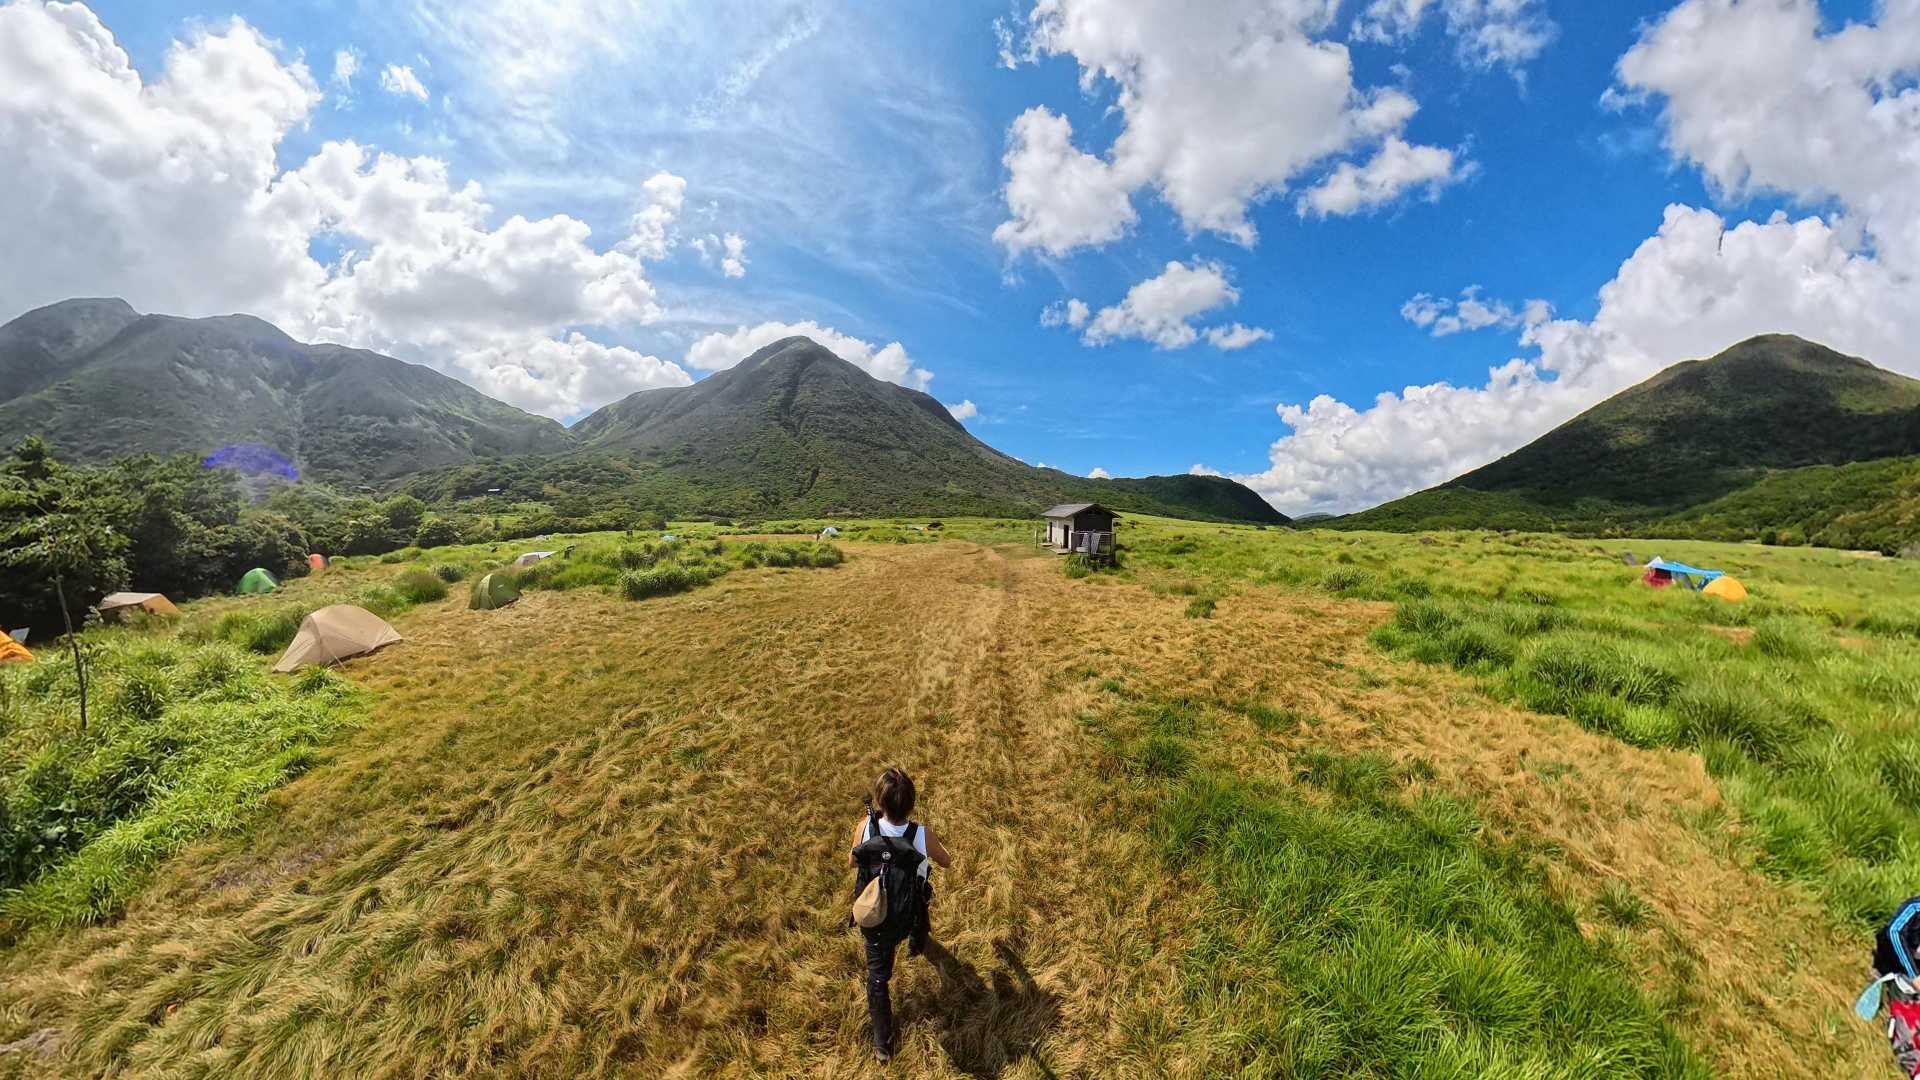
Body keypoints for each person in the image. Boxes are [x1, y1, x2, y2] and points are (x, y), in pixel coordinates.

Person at [849, 767, 951, 1062]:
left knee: (878, 979)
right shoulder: (921, 834)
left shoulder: (865, 827)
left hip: (875, 916)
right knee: (919, 919)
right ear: (911, 804)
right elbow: (946, 861)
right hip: (909, 912)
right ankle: (917, 943)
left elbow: (852, 862)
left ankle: (882, 1043)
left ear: (880, 803)